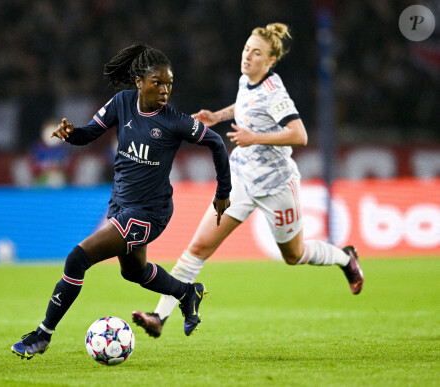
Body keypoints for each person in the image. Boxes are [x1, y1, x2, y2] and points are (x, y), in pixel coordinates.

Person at [132, 23, 364, 338]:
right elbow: (244, 106)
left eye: (256, 53)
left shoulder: (275, 93)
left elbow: (300, 134)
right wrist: (218, 116)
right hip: (240, 178)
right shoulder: (246, 80)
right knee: (198, 247)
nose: (248, 56)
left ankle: (344, 257)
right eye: (246, 49)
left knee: (293, 255)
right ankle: (159, 317)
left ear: (270, 62)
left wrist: (253, 137)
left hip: (276, 186)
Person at [10, 42, 232, 359]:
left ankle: (42, 335)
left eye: (169, 83)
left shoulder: (174, 121)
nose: (165, 89)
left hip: (148, 213)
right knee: (134, 272)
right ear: (139, 82)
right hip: (120, 204)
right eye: (158, 82)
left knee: (77, 259)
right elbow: (88, 133)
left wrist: (223, 191)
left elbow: (216, 142)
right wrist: (71, 134)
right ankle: (187, 292)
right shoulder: (122, 103)